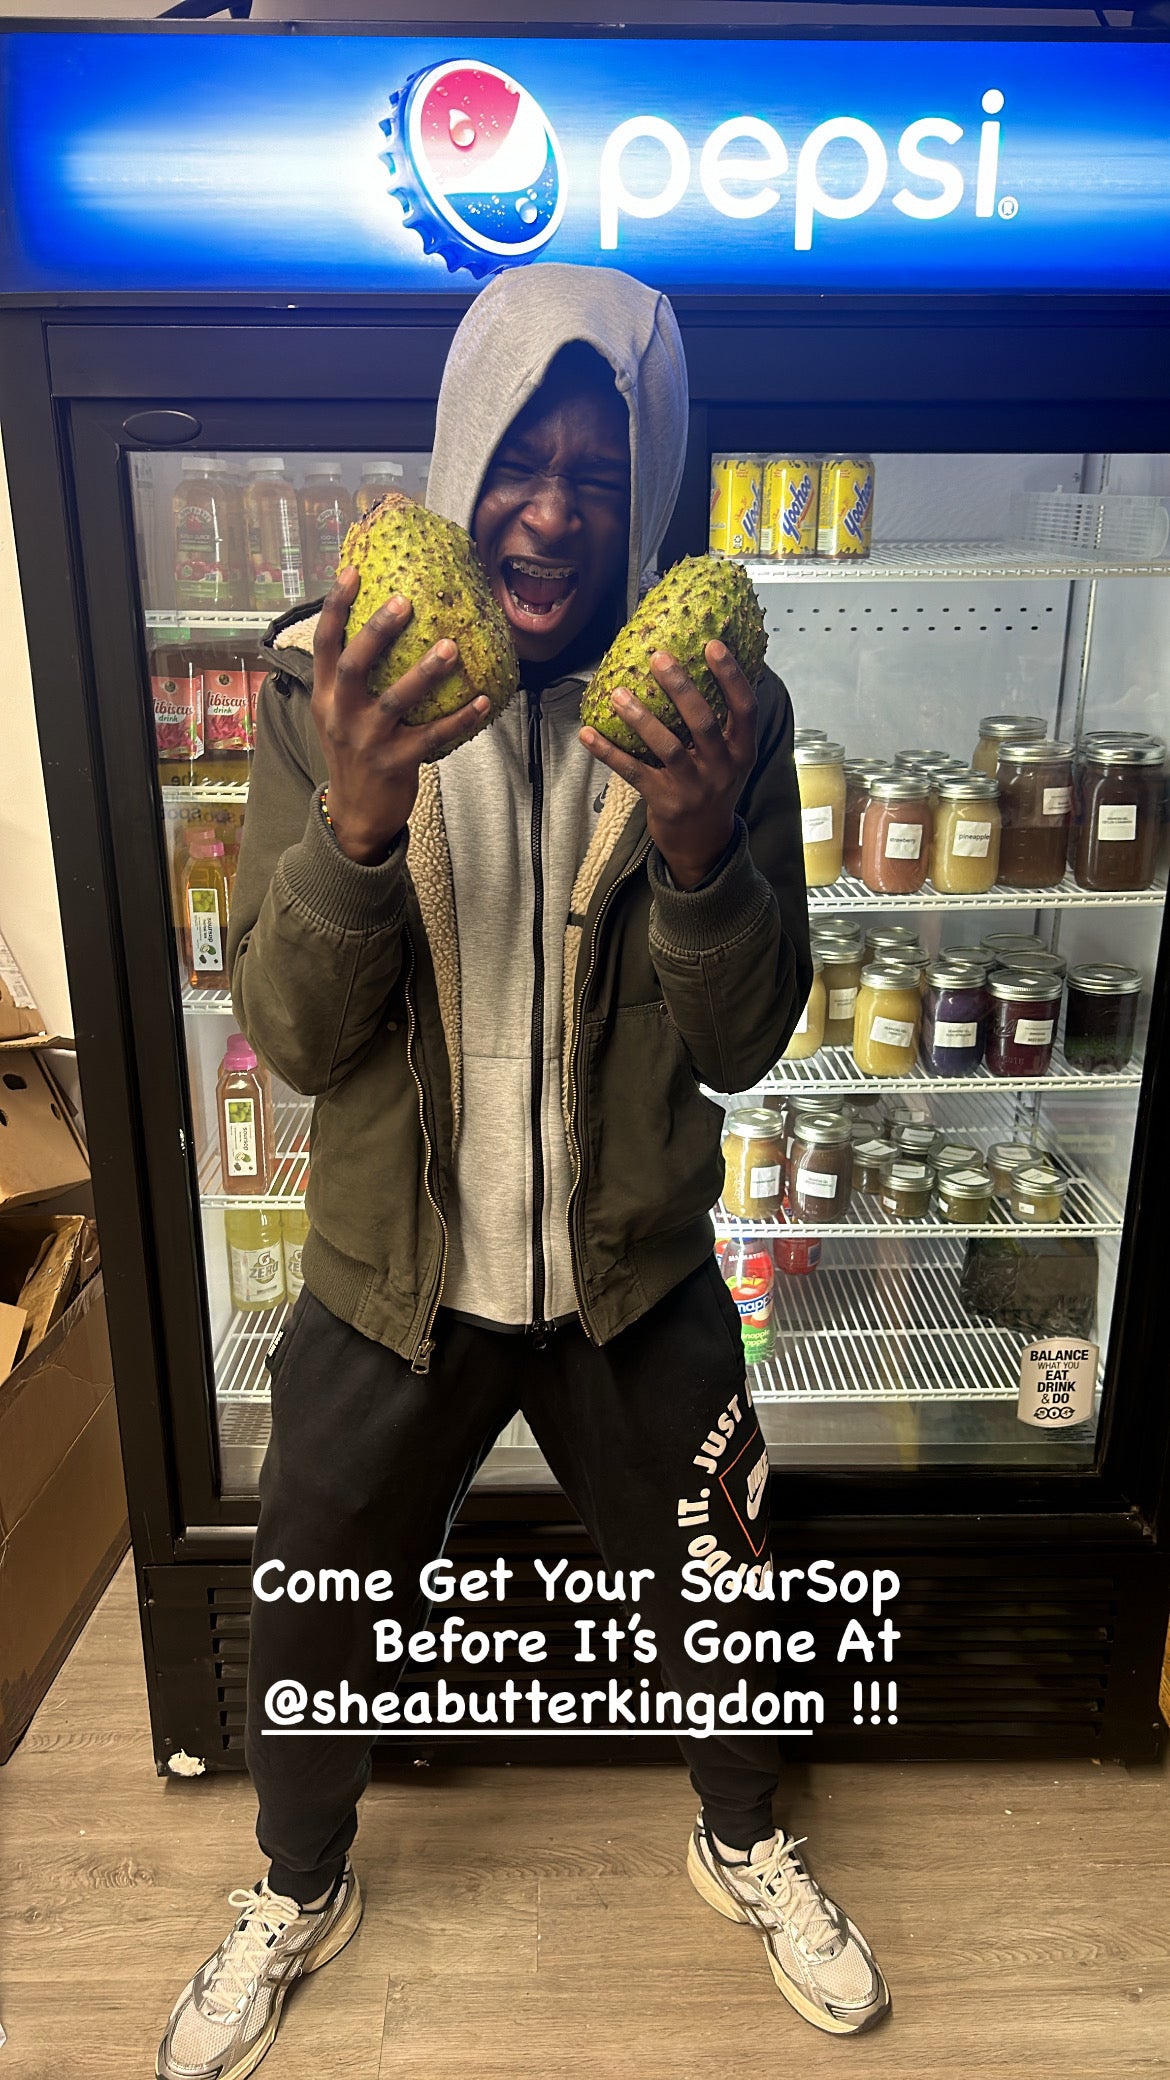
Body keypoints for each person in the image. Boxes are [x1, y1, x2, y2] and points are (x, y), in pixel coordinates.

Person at [157, 263, 890, 2080]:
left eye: (595, 464)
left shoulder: (722, 705)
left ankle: (744, 1842)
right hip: (393, 1274)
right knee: (311, 1584)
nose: (550, 508)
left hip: (625, 1274)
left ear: (642, 486)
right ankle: (296, 1881)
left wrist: (708, 843)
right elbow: (293, 1036)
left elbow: (746, 1041)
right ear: (460, 456)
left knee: (727, 1579)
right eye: (518, 459)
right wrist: (356, 811)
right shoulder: (323, 684)